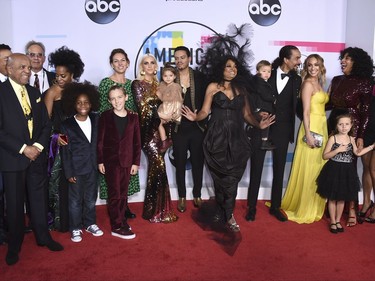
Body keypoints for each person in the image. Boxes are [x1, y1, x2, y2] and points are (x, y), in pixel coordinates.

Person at [182, 55, 273, 232]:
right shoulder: (213, 87)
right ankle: (221, 209)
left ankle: (228, 213)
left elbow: (247, 115)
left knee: (232, 179)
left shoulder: (241, 88)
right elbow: (204, 111)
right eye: (228, 66)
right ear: (220, 69)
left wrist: (258, 124)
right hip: (216, 137)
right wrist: (195, 118)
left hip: (237, 138)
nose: (232, 69)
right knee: (219, 177)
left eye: (235, 67)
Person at [0, 53, 63, 265]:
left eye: (28, 67)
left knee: (39, 200)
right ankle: (14, 245)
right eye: (22, 67)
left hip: (36, 157)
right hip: (12, 159)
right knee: (15, 205)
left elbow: (46, 124)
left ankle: (43, 237)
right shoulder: (0, 93)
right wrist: (22, 148)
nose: (27, 70)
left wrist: (36, 147)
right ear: (9, 70)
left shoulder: (35, 92)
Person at [246, 45, 302, 222]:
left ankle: (276, 206)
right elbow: (251, 98)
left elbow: (298, 106)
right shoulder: (264, 73)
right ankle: (251, 207)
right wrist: (256, 115)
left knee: (279, 169)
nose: (299, 61)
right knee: (256, 168)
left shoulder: (297, 80)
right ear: (286, 59)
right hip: (262, 126)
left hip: (283, 129)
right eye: (296, 58)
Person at [327, 47, 374, 227]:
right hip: (333, 128)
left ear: (357, 62)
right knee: (333, 167)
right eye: (342, 58)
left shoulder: (364, 82)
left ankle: (352, 208)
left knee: (350, 170)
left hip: (351, 130)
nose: (342, 61)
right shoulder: (337, 80)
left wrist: (360, 135)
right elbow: (329, 105)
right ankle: (333, 203)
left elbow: (366, 113)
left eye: (347, 58)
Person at [280, 54, 329, 223]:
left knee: (318, 168)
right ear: (306, 67)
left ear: (321, 66)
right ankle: (305, 206)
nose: (313, 68)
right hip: (312, 127)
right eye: (309, 65)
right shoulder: (307, 84)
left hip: (322, 126)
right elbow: (306, 112)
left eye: (316, 65)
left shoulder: (319, 83)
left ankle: (314, 204)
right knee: (310, 167)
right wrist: (308, 134)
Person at [132, 53, 178, 223]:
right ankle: (157, 211)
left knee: (157, 168)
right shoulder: (137, 84)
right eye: (146, 63)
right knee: (158, 164)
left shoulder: (161, 84)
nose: (149, 65)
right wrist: (160, 114)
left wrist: (170, 114)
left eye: (152, 63)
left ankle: (154, 210)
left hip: (163, 133)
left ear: (156, 66)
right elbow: (142, 109)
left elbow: (170, 104)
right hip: (148, 133)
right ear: (142, 67)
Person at [43, 46, 85, 232]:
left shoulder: (79, 91)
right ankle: (61, 222)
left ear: (72, 74)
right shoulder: (51, 93)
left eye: (63, 75)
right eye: (57, 75)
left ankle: (79, 219)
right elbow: (44, 123)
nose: (59, 79)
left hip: (76, 145)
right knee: (59, 183)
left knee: (77, 182)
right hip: (58, 146)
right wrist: (54, 136)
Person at [98, 48, 140, 219]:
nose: (120, 63)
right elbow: (102, 109)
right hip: (112, 134)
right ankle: (115, 208)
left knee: (127, 172)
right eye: (116, 60)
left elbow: (137, 110)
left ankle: (125, 206)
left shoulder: (132, 84)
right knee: (113, 176)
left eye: (123, 60)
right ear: (111, 64)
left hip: (128, 133)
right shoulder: (105, 83)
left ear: (128, 62)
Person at [60, 82, 103, 243]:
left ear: (91, 103)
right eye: (79, 102)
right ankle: (76, 227)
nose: (83, 105)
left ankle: (90, 223)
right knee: (75, 201)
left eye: (86, 102)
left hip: (93, 167)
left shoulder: (97, 118)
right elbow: (65, 151)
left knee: (91, 198)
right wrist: (69, 172)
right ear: (73, 104)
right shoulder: (66, 125)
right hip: (76, 170)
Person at [317, 114, 375, 233]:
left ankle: (338, 220)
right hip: (334, 169)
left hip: (347, 171)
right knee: (332, 198)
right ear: (337, 126)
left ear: (351, 125)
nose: (344, 127)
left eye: (347, 124)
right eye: (341, 124)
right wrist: (337, 150)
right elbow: (325, 156)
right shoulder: (333, 139)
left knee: (342, 198)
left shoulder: (351, 139)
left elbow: (357, 153)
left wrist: (371, 147)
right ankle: (333, 221)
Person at [98, 85, 141, 239]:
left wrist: (136, 162)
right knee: (115, 194)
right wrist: (100, 160)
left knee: (123, 194)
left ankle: (122, 219)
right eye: (113, 98)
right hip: (111, 162)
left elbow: (137, 142)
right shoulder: (105, 116)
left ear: (126, 97)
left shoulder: (133, 117)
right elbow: (100, 141)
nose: (117, 101)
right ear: (109, 101)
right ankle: (116, 226)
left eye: (119, 97)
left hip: (127, 161)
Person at [172, 46, 207, 212]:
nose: (179, 61)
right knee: (179, 163)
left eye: (182, 57)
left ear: (189, 59)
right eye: (177, 58)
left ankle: (197, 194)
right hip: (178, 128)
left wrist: (199, 115)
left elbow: (209, 102)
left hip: (197, 127)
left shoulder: (200, 77)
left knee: (198, 162)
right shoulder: (170, 77)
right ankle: (181, 196)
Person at [156, 62, 183, 153]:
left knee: (158, 120)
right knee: (157, 122)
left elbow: (170, 100)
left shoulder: (175, 87)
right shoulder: (162, 85)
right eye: (165, 76)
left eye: (170, 75)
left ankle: (165, 140)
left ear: (174, 76)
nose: (168, 78)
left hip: (171, 108)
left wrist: (159, 95)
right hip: (165, 107)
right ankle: (165, 140)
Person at [251, 60, 276, 150]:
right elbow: (264, 95)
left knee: (266, 123)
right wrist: (273, 98)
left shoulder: (263, 82)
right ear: (258, 72)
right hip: (260, 107)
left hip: (262, 106)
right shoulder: (259, 82)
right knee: (265, 122)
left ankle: (264, 140)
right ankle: (264, 141)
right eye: (264, 71)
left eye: (269, 71)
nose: (267, 73)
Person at [0, 43, 11, 245]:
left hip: (13, 152)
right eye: (4, 59)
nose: (9, 62)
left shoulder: (16, 85)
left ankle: (9, 225)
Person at [363, 84, 375, 223]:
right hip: (368, 130)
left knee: (373, 170)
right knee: (366, 168)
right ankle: (366, 202)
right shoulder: (370, 82)